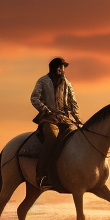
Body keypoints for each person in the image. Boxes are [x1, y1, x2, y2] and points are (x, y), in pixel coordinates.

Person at [30, 57, 80, 189]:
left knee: (78, 139)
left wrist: (77, 117)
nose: (61, 69)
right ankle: (40, 174)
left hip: (65, 119)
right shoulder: (43, 81)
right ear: (52, 68)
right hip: (48, 119)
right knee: (51, 138)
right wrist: (45, 110)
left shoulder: (68, 84)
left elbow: (73, 103)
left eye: (62, 67)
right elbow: (34, 98)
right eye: (58, 67)